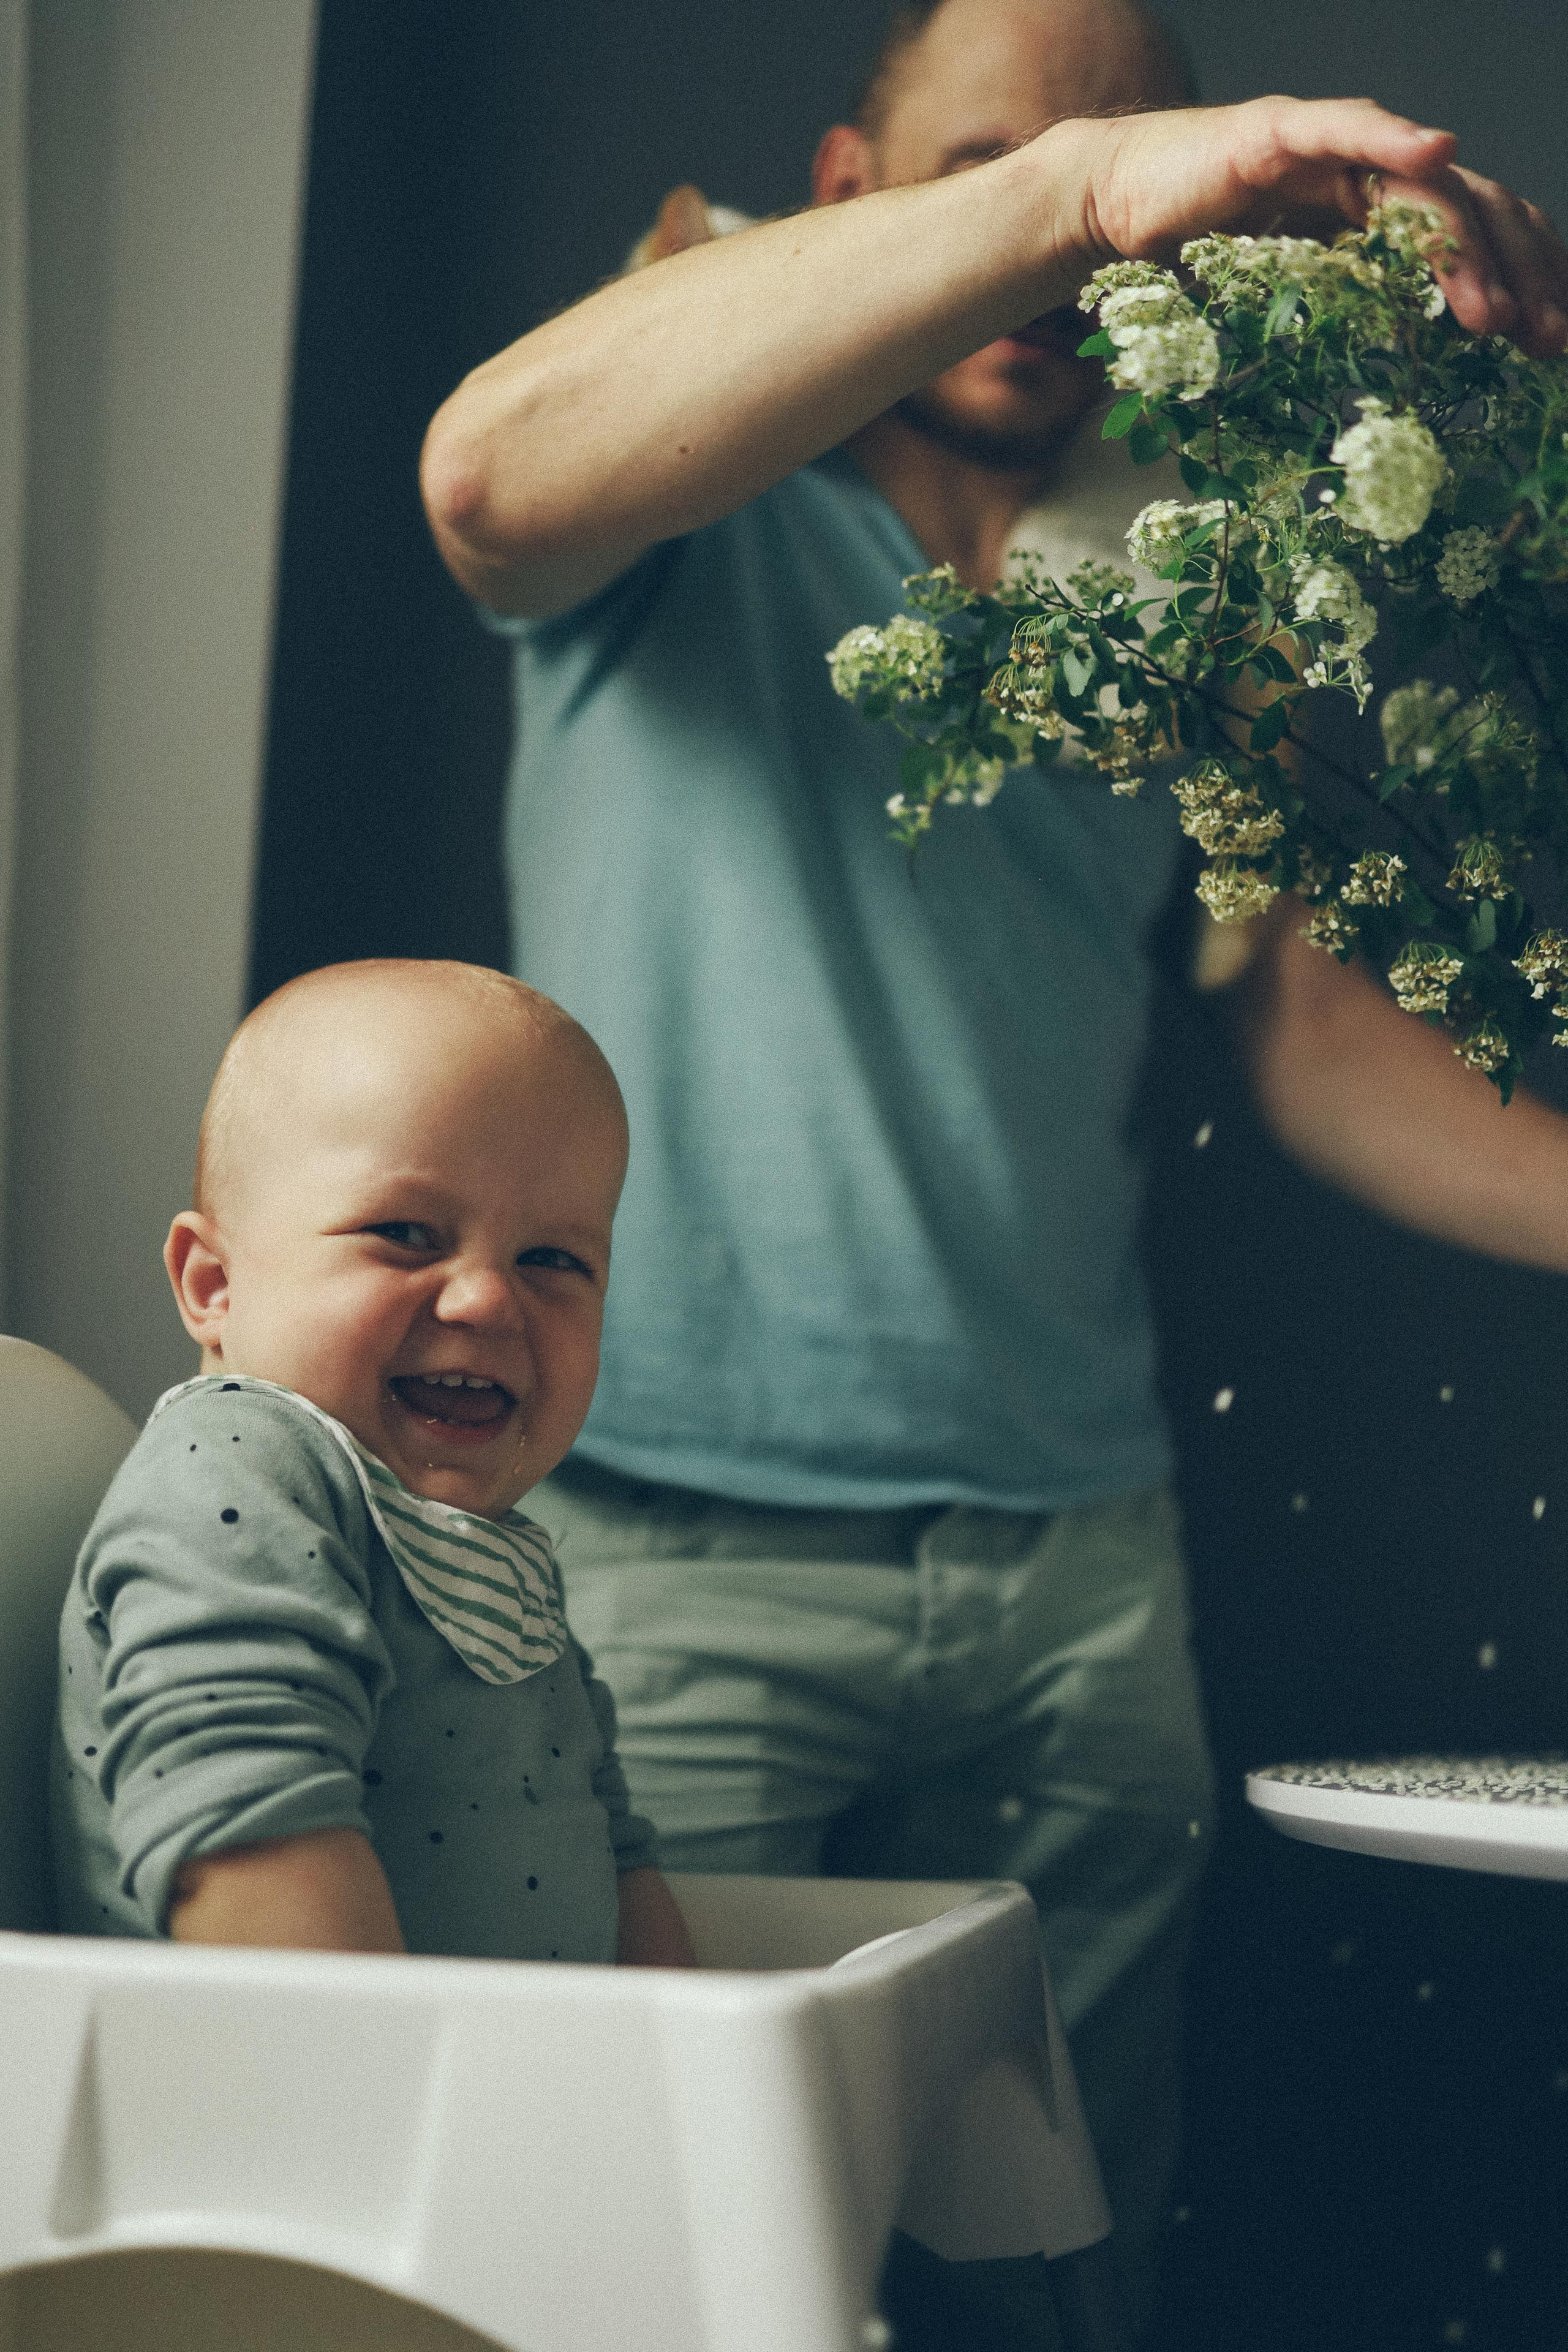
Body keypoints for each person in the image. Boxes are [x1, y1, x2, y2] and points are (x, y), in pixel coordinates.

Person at [418, 0, 1568, 2324]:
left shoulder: (1188, 570)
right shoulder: (690, 452)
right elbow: (486, 480)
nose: (1062, 262)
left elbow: (1308, 1028)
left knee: (1054, 2284)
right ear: (853, 188)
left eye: (1118, 199)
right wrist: (1081, 187)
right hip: (661, 1559)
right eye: (990, 174)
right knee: (627, 2277)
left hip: (1077, 1575)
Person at [52, 959, 696, 1970]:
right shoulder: (242, 1466)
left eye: (553, 1259)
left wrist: (687, 2047)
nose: (488, 1299)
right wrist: (387, 2065)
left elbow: (610, 1846)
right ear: (215, 1285)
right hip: (302, 2063)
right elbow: (250, 1820)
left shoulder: (475, 1539)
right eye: (404, 1235)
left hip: (507, 2062)